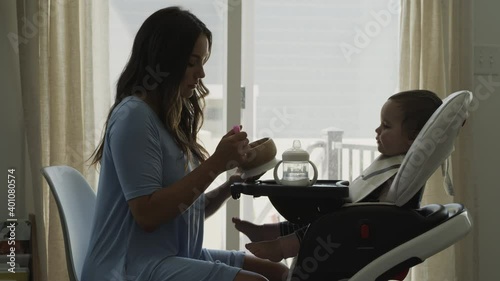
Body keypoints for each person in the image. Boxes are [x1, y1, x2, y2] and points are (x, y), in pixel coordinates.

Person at [82, 7, 288, 281]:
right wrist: (216, 163)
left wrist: (231, 185)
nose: (201, 73)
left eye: (202, 62)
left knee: (280, 273)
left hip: (175, 254)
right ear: (165, 62)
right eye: (192, 63)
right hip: (128, 267)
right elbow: (148, 215)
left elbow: (185, 210)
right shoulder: (134, 116)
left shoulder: (167, 120)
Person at [232, 90, 443, 262]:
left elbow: (373, 210)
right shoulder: (393, 164)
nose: (377, 129)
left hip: (363, 231)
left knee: (328, 223)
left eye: (386, 126)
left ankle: (281, 246)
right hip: (359, 221)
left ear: (413, 137)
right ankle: (270, 232)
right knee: (320, 216)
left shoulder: (398, 170)